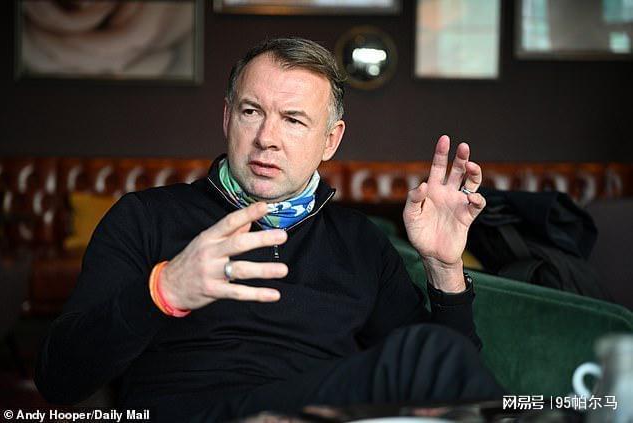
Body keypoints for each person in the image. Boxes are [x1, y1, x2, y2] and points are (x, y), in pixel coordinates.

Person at [35, 37, 503, 421]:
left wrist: (443, 267)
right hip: (192, 412)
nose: (266, 139)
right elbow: (59, 380)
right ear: (227, 117)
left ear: (330, 140)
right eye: (251, 112)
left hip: (318, 410)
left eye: (293, 120)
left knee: (430, 358)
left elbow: (448, 379)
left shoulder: (360, 241)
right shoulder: (145, 217)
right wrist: (164, 290)